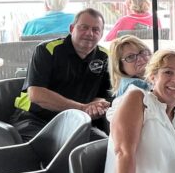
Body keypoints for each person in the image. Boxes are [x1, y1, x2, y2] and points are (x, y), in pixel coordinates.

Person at [11, 8, 111, 140]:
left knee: (103, 144)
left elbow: (104, 95)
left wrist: (96, 105)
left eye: (95, 29)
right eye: (84, 27)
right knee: (58, 145)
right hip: (35, 119)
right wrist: (82, 108)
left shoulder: (104, 56)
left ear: (101, 34)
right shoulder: (47, 50)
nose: (89, 33)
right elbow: (36, 94)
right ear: (72, 28)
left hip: (76, 121)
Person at [108, 34, 152, 98]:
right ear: (120, 66)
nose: (140, 58)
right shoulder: (136, 85)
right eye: (130, 57)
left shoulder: (124, 84)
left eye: (142, 52)